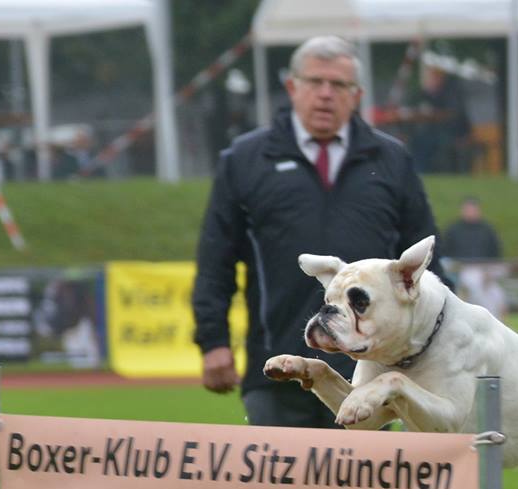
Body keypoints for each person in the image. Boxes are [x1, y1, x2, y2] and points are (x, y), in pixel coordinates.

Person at [192, 36, 448, 428]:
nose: (326, 94)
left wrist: (439, 349)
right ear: (292, 87)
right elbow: (216, 260)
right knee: (279, 471)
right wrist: (213, 341)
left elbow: (427, 263)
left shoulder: (392, 160)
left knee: (368, 472)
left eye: (339, 85)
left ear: (357, 95)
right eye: (315, 82)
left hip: (368, 372)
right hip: (275, 367)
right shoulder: (245, 160)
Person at [442, 197, 507, 319]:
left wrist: (489, 272)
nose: (470, 212)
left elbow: (496, 255)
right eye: (468, 210)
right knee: (475, 284)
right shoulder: (453, 230)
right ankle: (487, 319)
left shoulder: (487, 230)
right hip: (463, 270)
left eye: (473, 209)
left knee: (497, 293)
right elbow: (446, 255)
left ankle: (498, 322)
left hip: (486, 269)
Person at [410, 63, 471, 173]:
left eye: (434, 78)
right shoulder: (422, 95)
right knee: (417, 141)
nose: (431, 81)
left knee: (428, 143)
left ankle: (426, 171)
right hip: (431, 132)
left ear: (441, 79)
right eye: (430, 78)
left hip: (449, 132)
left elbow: (453, 115)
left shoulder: (450, 94)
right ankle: (419, 171)